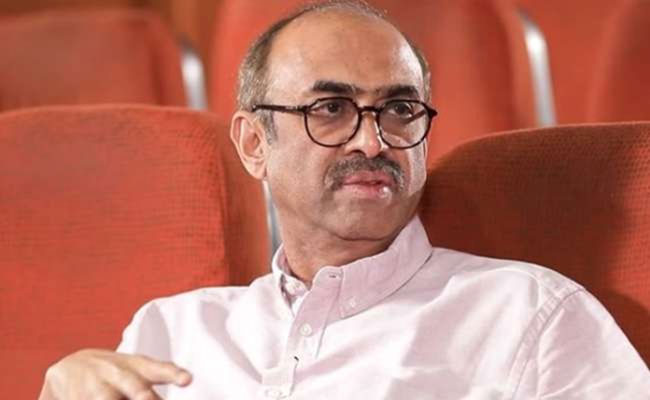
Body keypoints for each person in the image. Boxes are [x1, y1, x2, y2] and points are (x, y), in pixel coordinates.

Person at [39, 1, 650, 399]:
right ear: (254, 144)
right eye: (330, 109)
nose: (372, 140)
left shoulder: (528, 317)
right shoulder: (171, 332)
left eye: (400, 108)